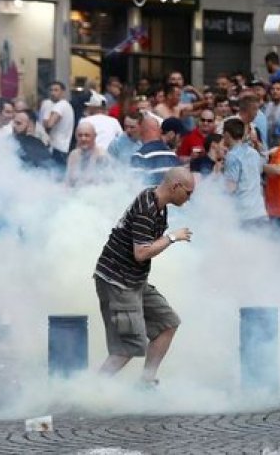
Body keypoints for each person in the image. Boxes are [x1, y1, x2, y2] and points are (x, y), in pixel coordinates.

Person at [94, 167, 194, 384]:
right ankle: (91, 391)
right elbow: (141, 253)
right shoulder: (146, 209)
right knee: (127, 346)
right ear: (175, 186)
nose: (189, 199)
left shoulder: (159, 207)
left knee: (167, 323)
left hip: (135, 280)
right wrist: (172, 238)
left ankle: (146, 383)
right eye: (188, 193)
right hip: (118, 281)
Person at [222, 118, 267, 226]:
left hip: (244, 215)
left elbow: (230, 188)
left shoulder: (232, 156)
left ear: (227, 134)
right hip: (260, 212)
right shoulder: (253, 153)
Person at [65, 121, 111, 187]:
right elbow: (67, 181)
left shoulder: (101, 156)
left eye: (87, 135)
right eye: (80, 135)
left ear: (94, 136)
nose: (83, 139)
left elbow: (105, 185)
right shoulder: (73, 155)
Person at [42, 81, 75, 166]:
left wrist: (45, 116)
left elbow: (49, 124)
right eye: (51, 90)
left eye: (56, 90)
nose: (52, 93)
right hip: (63, 147)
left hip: (56, 147)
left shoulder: (59, 106)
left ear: (63, 92)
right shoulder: (67, 105)